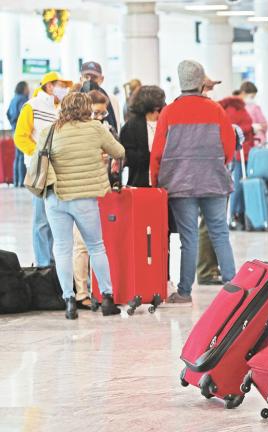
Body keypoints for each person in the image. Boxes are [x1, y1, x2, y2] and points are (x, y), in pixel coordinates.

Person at [150, 60, 237, 304]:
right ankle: (233, 285)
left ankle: (185, 291)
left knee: (188, 238)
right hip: (214, 180)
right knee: (219, 233)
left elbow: (157, 152)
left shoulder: (169, 112)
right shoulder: (216, 110)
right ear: (201, 82)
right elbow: (229, 145)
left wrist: (157, 182)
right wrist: (217, 164)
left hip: (180, 183)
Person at [37, 92, 125, 319]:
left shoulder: (50, 131)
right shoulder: (96, 128)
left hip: (55, 198)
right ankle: (107, 298)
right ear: (87, 108)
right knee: (95, 246)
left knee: (63, 248)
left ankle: (69, 300)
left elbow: (38, 161)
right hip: (85, 199)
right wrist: (99, 154)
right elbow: (120, 151)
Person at [14, 71, 73, 267]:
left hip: (59, 169)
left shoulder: (60, 109)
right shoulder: (32, 106)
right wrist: (39, 154)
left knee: (57, 217)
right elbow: (20, 137)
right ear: (49, 86)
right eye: (60, 85)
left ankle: (54, 262)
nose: (64, 89)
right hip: (40, 171)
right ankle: (43, 263)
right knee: (41, 219)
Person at [218, 92, 255, 232]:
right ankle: (234, 214)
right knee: (238, 184)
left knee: (235, 183)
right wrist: (251, 129)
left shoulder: (225, 108)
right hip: (240, 152)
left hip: (232, 151)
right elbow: (236, 128)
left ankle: (234, 214)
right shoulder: (237, 109)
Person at [121, 85, 166, 187]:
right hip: (140, 182)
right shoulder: (131, 126)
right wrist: (152, 157)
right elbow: (129, 157)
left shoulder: (166, 122)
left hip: (164, 183)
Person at [80, 61, 120, 133]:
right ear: (81, 79)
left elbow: (116, 125)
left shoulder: (111, 99)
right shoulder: (72, 102)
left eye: (94, 77)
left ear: (102, 79)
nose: (89, 80)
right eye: (86, 77)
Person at [6, 81, 29, 187]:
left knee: (17, 156)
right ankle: (21, 181)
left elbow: (7, 113)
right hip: (22, 130)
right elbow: (24, 113)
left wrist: (13, 124)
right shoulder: (23, 99)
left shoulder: (13, 99)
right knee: (22, 156)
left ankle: (16, 181)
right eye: (27, 87)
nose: (28, 89)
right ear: (23, 88)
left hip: (15, 129)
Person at [240, 81, 268, 146]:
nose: (253, 99)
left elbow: (265, 125)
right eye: (252, 96)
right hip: (245, 142)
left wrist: (258, 126)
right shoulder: (236, 107)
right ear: (243, 93)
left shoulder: (255, 107)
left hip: (256, 141)